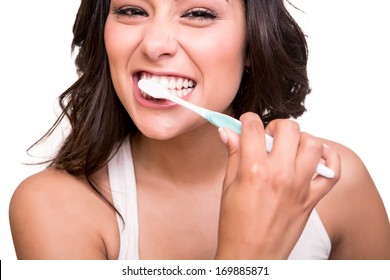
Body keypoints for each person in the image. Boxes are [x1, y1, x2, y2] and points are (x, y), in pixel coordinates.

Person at [9, 0, 390, 260]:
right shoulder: (54, 207)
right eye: (131, 10)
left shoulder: (336, 183)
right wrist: (248, 258)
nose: (155, 44)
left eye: (199, 13)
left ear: (254, 43)